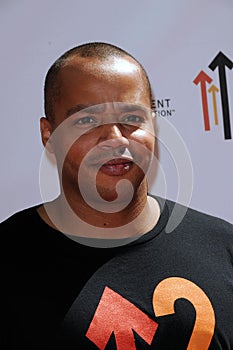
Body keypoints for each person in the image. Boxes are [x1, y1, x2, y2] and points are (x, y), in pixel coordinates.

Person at [0, 41, 233, 350]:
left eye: (132, 119)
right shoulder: (8, 261)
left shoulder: (222, 248)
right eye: (86, 121)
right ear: (49, 135)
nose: (114, 138)